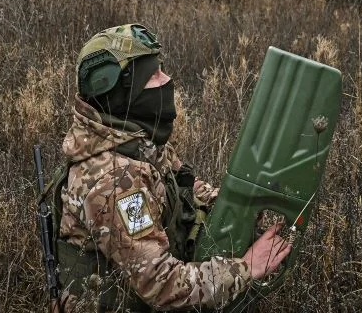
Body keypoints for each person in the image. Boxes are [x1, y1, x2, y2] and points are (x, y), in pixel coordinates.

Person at [51, 23, 291, 312]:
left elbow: (189, 189)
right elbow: (162, 284)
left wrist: (242, 208)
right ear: (122, 92)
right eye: (153, 75)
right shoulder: (113, 181)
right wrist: (246, 268)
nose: (166, 80)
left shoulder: (138, 142)